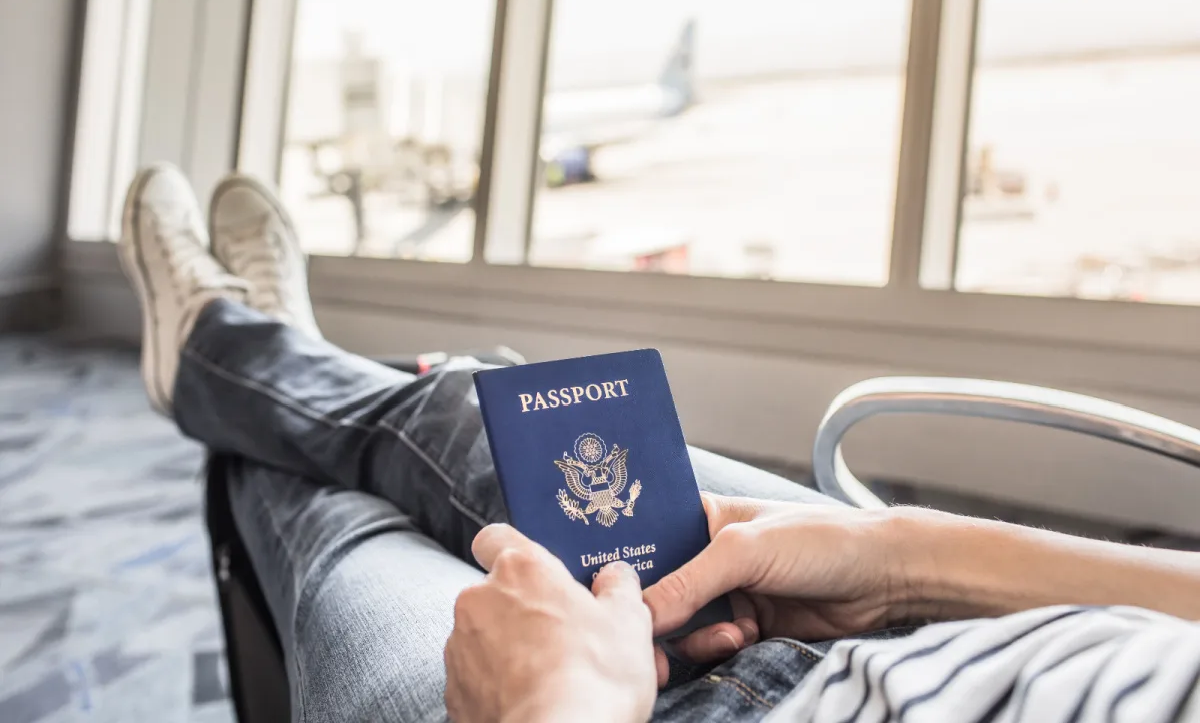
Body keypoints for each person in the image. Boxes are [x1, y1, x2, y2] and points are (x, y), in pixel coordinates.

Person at [119, 163, 1200, 723]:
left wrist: (556, 705)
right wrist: (902, 561)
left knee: (343, 509)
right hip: (926, 639)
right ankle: (251, 349)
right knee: (485, 399)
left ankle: (237, 355)